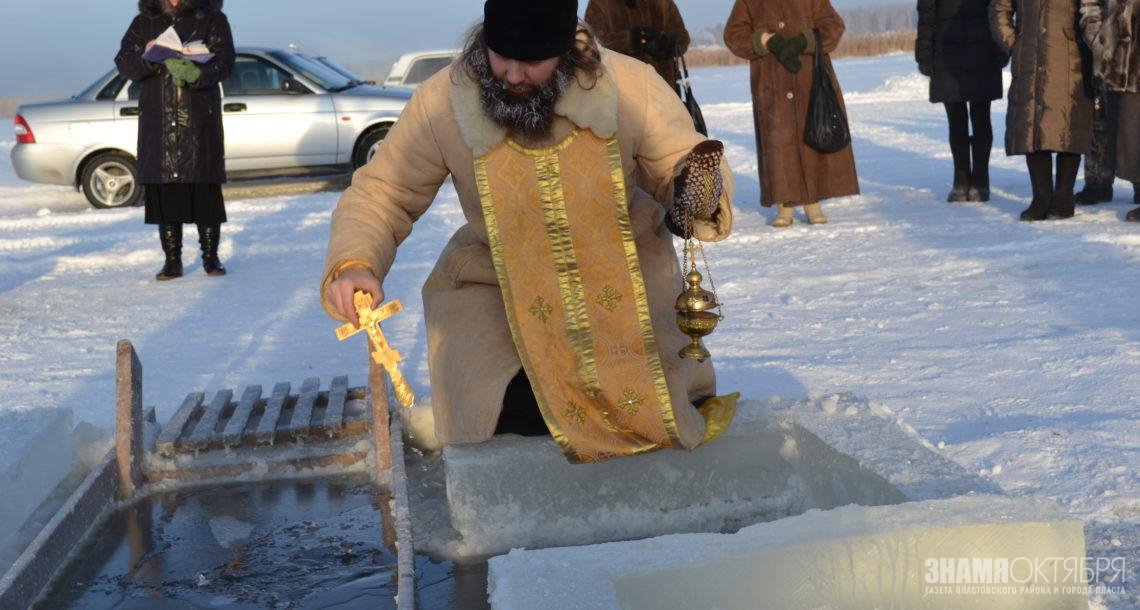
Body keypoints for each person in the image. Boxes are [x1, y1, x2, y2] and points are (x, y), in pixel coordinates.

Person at [321, 0, 739, 464]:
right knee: (513, 413)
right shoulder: (442, 101)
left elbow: (681, 160)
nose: (514, 75)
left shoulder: (629, 86)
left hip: (624, 283)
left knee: (640, 407)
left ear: (565, 50)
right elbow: (384, 192)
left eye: (533, 63)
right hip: (497, 289)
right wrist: (355, 262)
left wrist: (694, 186)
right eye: (502, 58)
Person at [115, 0, 235, 280]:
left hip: (198, 120)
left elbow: (226, 63)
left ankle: (210, 257)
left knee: (204, 189)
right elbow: (124, 63)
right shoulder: (143, 22)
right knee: (166, 192)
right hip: (158, 120)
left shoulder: (213, 19)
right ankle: (172, 260)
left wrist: (197, 73)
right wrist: (148, 60)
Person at [724, 0, 860, 228]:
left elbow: (833, 26)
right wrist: (764, 40)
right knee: (778, 140)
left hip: (810, 80)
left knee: (812, 134)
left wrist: (804, 41)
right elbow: (734, 35)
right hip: (771, 84)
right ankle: (784, 204)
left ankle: (813, 200)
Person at [990, 0, 1095, 221]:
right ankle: (1041, 197)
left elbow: (1093, 9)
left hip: (1071, 57)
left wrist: (1089, 43)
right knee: (1032, 124)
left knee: (1069, 124)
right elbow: (999, 7)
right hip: (1029, 55)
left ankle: (1064, 196)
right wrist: (1014, 43)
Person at [916, 0, 1008, 202]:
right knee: (956, 119)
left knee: (981, 116)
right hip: (947, 54)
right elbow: (926, 15)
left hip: (983, 50)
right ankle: (961, 178)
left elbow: (1000, 9)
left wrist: (1002, 47)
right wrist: (924, 54)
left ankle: (981, 179)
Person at [1079, 0, 1140, 219]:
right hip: (1115, 56)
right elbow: (1090, 4)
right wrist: (1099, 39)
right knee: (1116, 123)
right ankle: (1099, 183)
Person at [585, 0, 691, 94]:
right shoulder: (599, 4)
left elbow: (682, 38)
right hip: (625, 98)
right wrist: (632, 40)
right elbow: (592, 46)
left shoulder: (662, 2)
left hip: (665, 91)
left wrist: (664, 43)